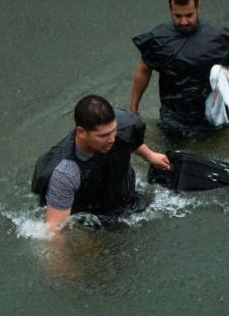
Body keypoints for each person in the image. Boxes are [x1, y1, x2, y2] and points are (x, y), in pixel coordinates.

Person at [32, 95, 170, 233]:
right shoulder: (65, 173)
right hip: (90, 215)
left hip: (123, 193)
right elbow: (54, 230)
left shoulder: (119, 126)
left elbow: (126, 135)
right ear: (81, 133)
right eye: (103, 136)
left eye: (114, 131)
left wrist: (150, 156)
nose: (112, 139)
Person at [129, 0, 229, 141]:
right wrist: (133, 109)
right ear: (170, 10)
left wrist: (227, 74)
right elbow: (144, 69)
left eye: (189, 15)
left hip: (211, 116)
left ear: (198, 8)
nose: (184, 21)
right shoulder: (159, 40)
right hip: (173, 117)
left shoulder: (218, 37)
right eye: (178, 16)